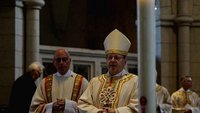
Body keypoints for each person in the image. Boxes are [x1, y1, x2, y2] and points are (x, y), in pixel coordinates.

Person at [78, 29, 139, 113]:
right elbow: (82, 104)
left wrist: (116, 111)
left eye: (117, 57)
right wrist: (97, 112)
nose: (112, 60)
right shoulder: (95, 82)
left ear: (125, 61)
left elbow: (137, 106)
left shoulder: (135, 81)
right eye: (109, 57)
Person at [29, 48, 88, 113]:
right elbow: (34, 108)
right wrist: (51, 106)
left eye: (64, 59)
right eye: (58, 60)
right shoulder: (44, 83)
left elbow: (89, 107)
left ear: (70, 61)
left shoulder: (82, 82)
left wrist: (68, 105)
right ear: (54, 62)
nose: (61, 62)